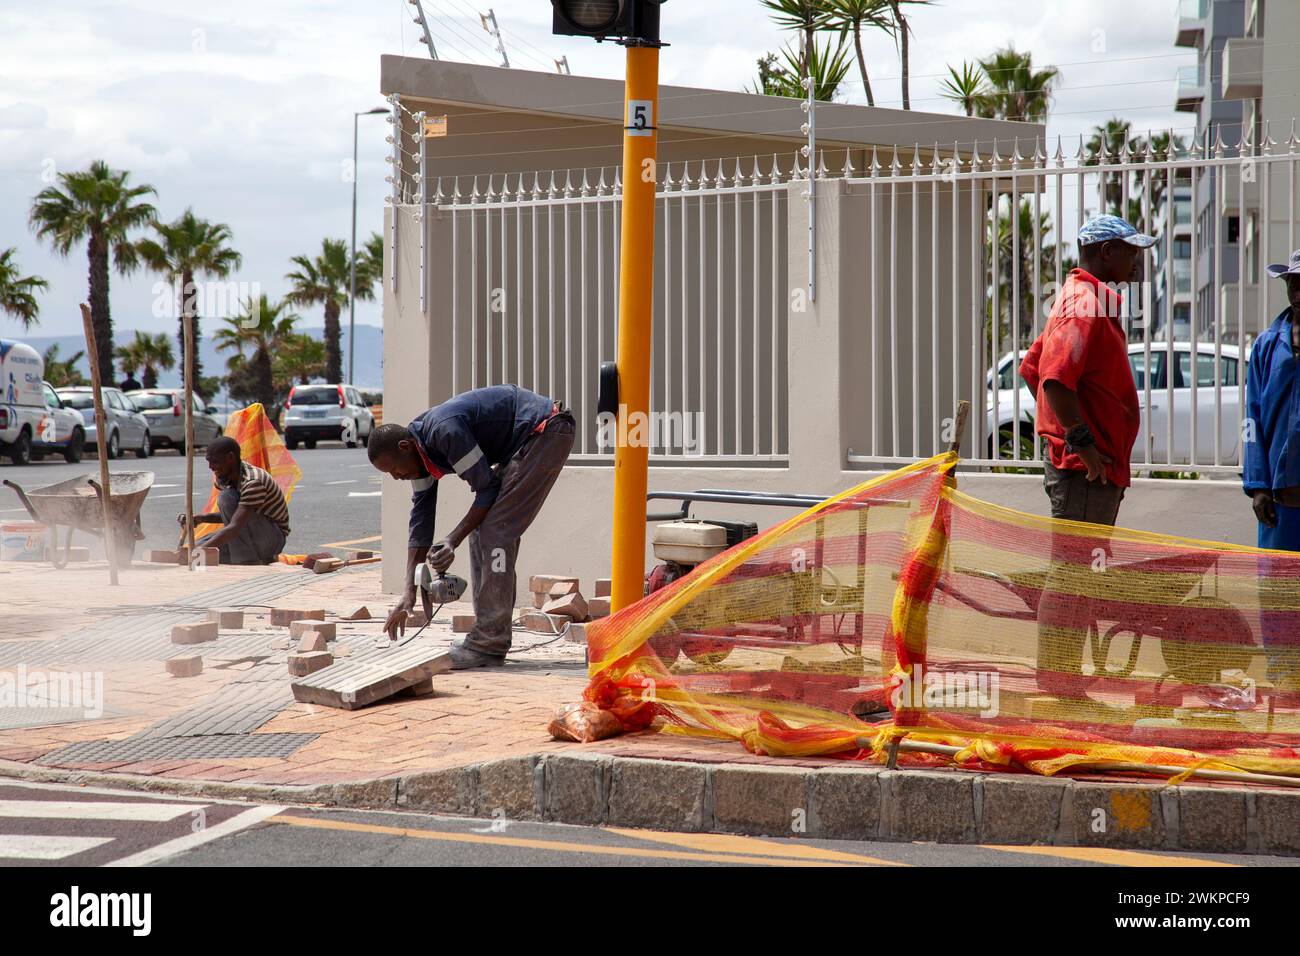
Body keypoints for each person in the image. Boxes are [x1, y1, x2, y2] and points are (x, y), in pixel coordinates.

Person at [1019, 214, 1151, 697]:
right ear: (1106, 254)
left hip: (1086, 467)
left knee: (1079, 570)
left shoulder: (1085, 300)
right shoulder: (1084, 304)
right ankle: (1059, 687)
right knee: (1073, 571)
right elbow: (1053, 380)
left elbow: (1031, 367)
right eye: (1130, 249)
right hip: (1084, 471)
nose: (1138, 259)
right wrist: (1084, 448)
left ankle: (1063, 681)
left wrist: (1068, 436)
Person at [368, 384, 575, 669]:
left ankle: (489, 643)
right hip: (528, 439)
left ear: (404, 448)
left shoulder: (444, 432)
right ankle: (488, 637)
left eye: (393, 469)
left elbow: (486, 490)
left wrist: (452, 540)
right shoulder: (420, 454)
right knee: (484, 529)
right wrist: (409, 592)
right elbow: (421, 525)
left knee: (496, 530)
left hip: (544, 431)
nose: (395, 477)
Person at [1243, 248, 1300, 689]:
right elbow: (1253, 417)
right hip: (1281, 503)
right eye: (1292, 283)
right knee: (1279, 595)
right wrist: (1257, 485)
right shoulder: (1267, 344)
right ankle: (1283, 679)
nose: (1298, 290)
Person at [181, 436, 289, 565]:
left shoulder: (253, 482)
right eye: (208, 461)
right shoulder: (224, 478)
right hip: (247, 532)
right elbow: (234, 515)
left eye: (215, 461)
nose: (210, 467)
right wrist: (200, 518)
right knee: (200, 549)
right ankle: (247, 557)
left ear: (230, 458)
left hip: (271, 537)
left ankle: (248, 560)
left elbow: (236, 525)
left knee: (226, 497)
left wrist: (200, 552)